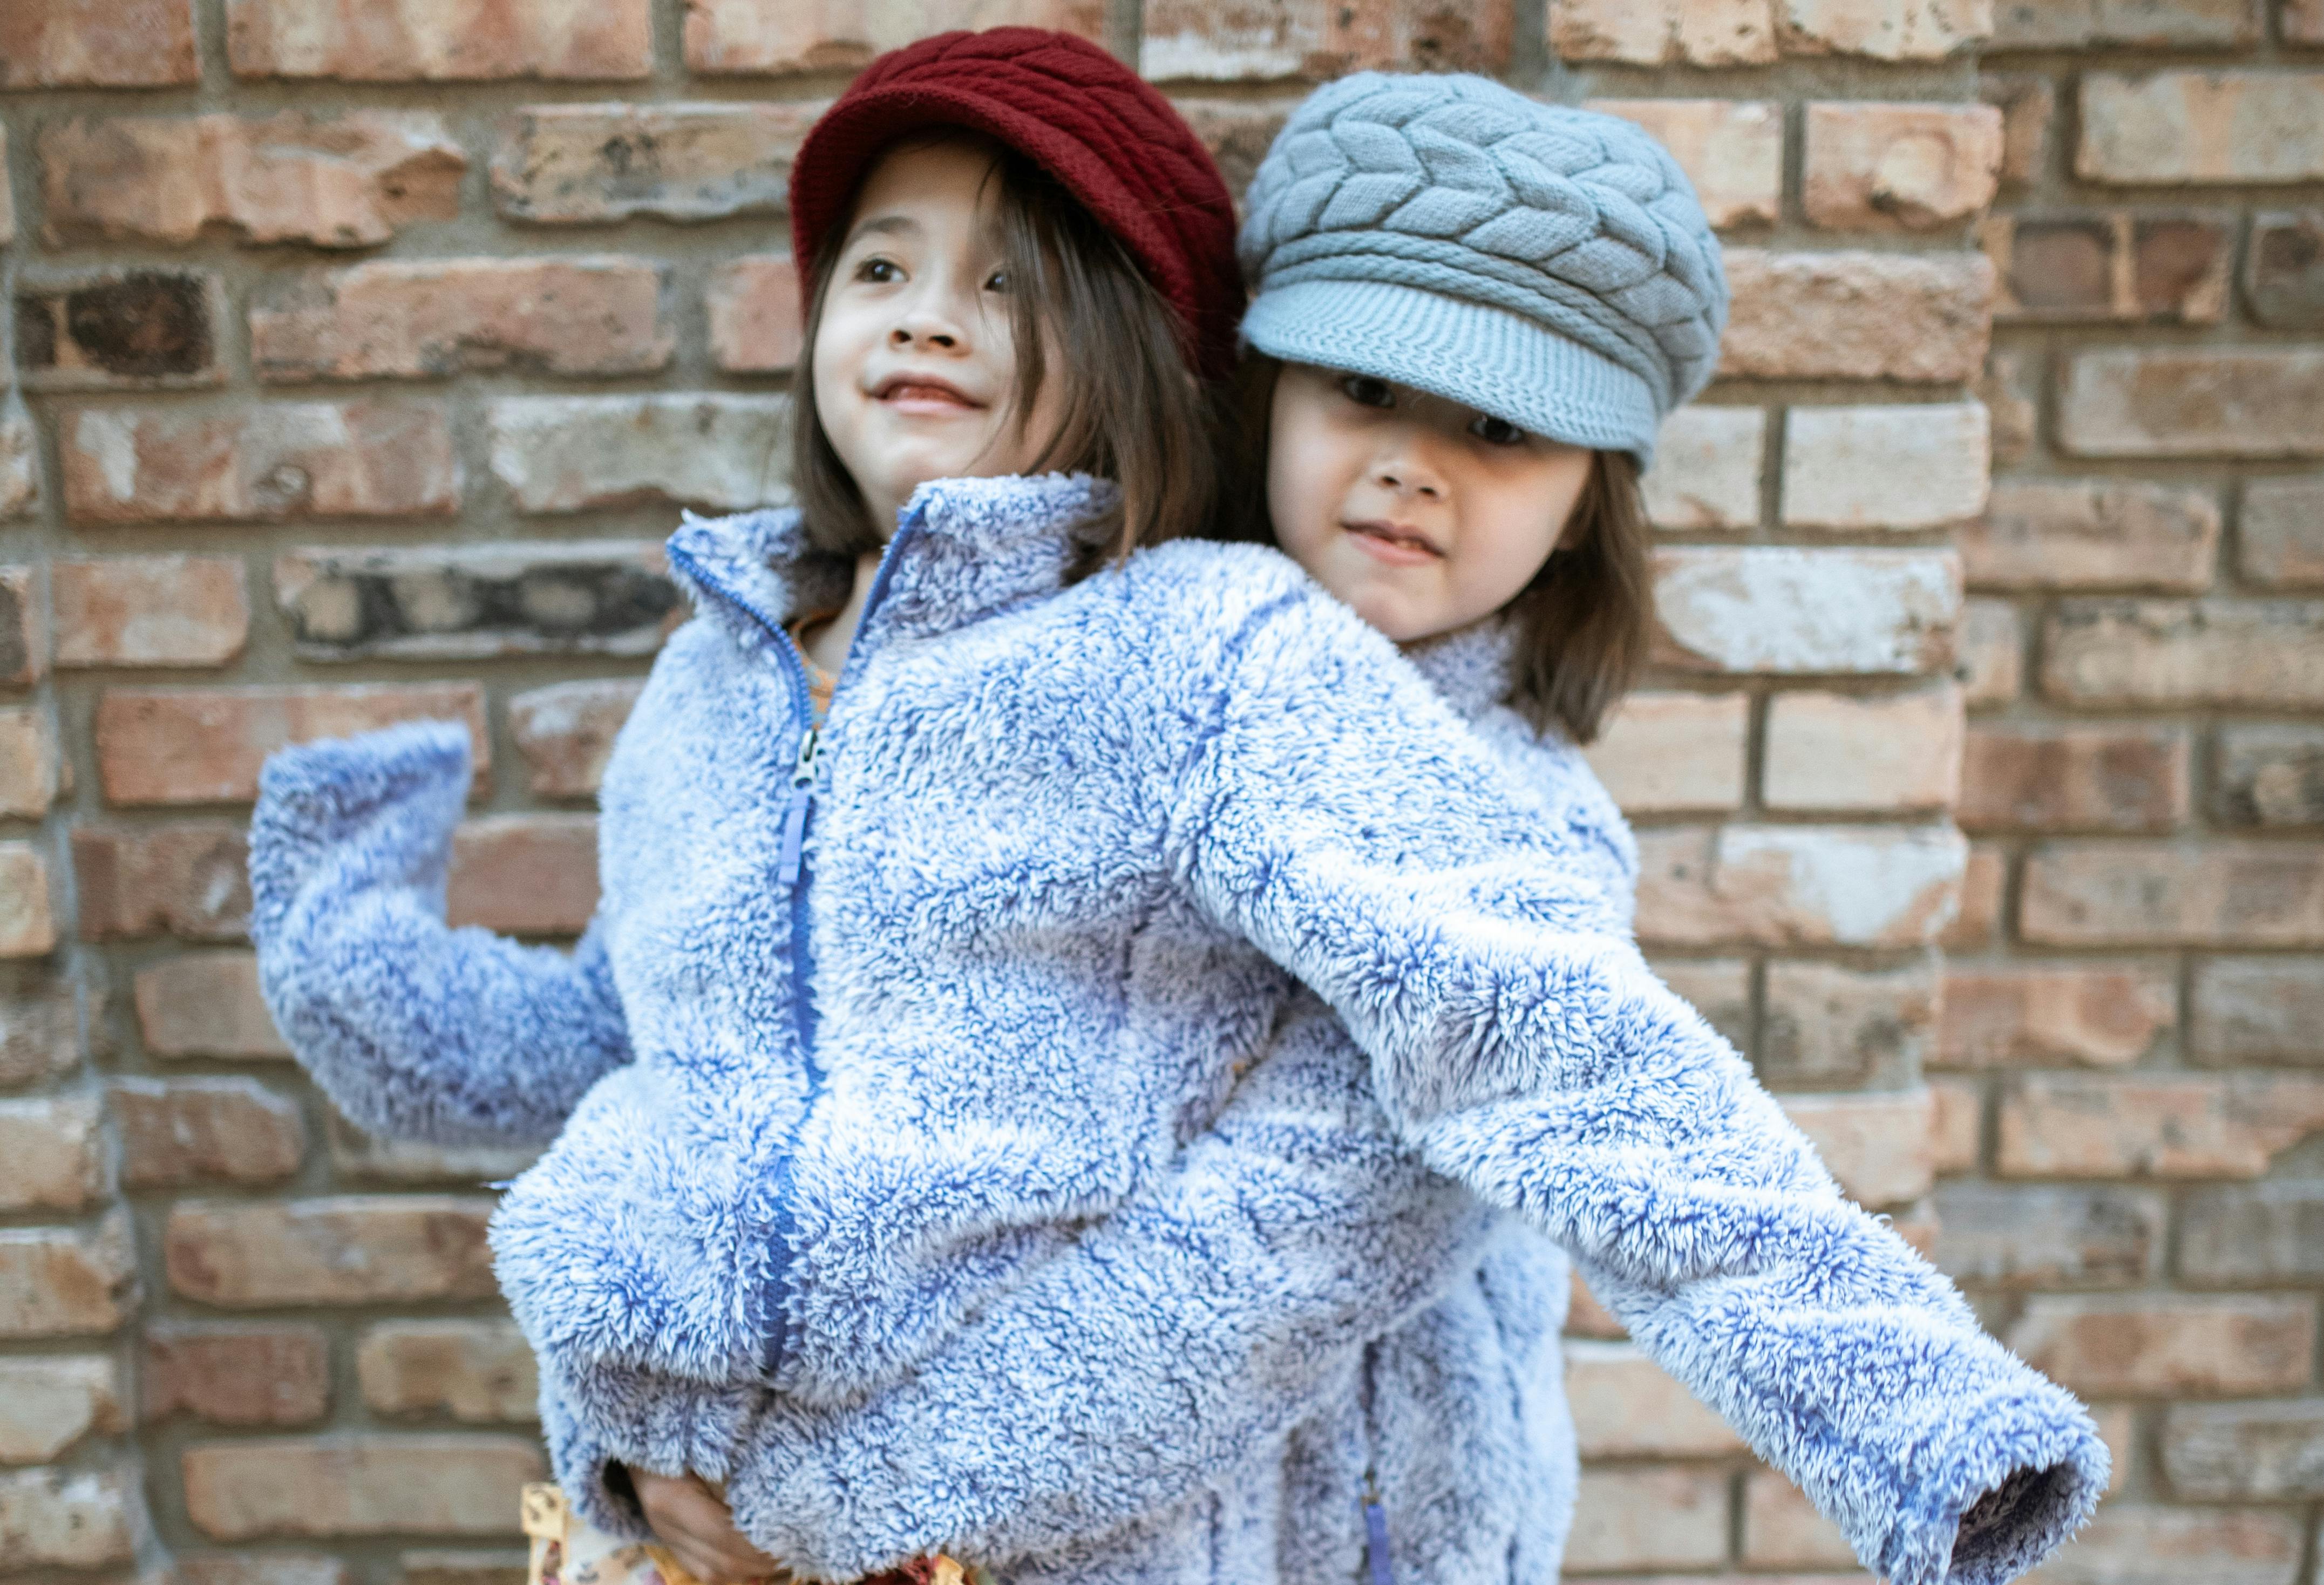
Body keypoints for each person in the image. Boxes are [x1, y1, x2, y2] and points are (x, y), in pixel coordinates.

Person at [248, 36, 2106, 1585]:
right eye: (1365, 391)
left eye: (1503, 432)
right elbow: (665, 1018)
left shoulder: (1267, 696)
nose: (1409, 467)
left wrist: (1913, 1409)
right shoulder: (763, 672)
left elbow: (1318, 1231)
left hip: (1247, 1536)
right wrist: (357, 968)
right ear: (1256, 383)